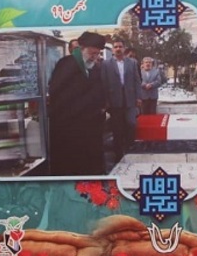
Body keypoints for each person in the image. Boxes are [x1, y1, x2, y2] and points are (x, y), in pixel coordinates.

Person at [48, 31, 106, 175]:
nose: (94, 57)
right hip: (70, 127)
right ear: (82, 49)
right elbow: (58, 93)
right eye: (92, 53)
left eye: (97, 54)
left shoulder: (93, 67)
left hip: (90, 126)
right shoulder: (66, 64)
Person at [101, 39, 142, 161]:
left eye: (120, 46)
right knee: (117, 128)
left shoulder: (132, 63)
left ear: (124, 48)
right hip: (114, 100)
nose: (118, 49)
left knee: (131, 123)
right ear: (113, 50)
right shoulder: (106, 64)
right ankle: (118, 153)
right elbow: (104, 83)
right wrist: (106, 100)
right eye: (116, 47)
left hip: (130, 99)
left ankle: (130, 148)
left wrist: (139, 97)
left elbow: (137, 80)